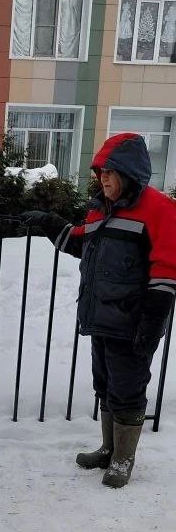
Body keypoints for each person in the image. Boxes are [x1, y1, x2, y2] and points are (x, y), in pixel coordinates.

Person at [22, 132, 176, 488]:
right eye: (100, 172)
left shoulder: (158, 209)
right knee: (104, 385)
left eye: (110, 171)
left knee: (128, 388)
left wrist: (151, 322)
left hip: (134, 322)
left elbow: (167, 269)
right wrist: (48, 222)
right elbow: (80, 243)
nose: (103, 177)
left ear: (129, 172)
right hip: (101, 318)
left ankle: (123, 460)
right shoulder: (99, 209)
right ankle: (108, 449)